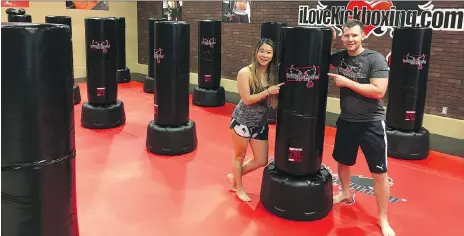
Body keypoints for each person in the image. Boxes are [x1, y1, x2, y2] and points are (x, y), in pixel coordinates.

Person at [327, 19, 395, 236]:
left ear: (363, 35)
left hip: (371, 123)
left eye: (354, 35)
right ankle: (345, 192)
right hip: (347, 121)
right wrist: (325, 39)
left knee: (379, 173)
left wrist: (347, 82)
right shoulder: (341, 56)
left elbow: (378, 91)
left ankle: (383, 217)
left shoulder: (374, 59)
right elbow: (320, 61)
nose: (350, 39)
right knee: (343, 162)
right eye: (346, 35)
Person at [226, 38, 284, 202]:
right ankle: (239, 188)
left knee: (261, 160)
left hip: (260, 123)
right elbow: (247, 99)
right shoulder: (245, 73)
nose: (265, 55)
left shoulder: (271, 74)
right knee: (239, 156)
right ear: (256, 52)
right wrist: (268, 91)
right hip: (242, 122)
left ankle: (234, 176)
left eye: (268, 52)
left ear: (273, 55)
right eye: (262, 51)